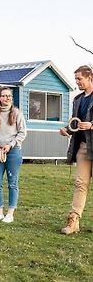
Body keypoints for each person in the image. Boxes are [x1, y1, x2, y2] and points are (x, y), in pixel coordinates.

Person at [60, 65, 93, 235]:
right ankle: (74, 221)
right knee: (81, 184)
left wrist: (92, 125)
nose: (77, 82)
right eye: (76, 79)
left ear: (90, 78)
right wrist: (67, 129)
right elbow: (75, 122)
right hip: (82, 147)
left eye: (79, 79)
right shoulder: (77, 99)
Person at [0, 86, 27, 223]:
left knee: (12, 183)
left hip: (13, 151)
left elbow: (22, 133)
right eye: (4, 96)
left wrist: (10, 145)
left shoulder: (16, 113)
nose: (7, 98)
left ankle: (10, 213)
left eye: (9, 96)